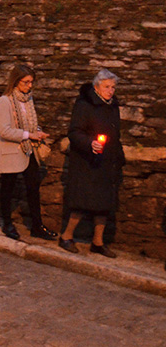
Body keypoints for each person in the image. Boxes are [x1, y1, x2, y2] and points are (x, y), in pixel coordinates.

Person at [59, 69, 124, 257]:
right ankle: (66, 236)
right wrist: (90, 143)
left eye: (113, 87)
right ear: (96, 87)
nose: (110, 91)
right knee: (81, 202)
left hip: (107, 161)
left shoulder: (113, 105)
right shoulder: (84, 105)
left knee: (104, 204)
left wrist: (118, 157)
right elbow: (74, 132)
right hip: (87, 161)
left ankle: (98, 241)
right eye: (106, 87)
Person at [0, 64, 58, 241]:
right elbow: (4, 130)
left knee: (33, 187)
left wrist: (37, 132)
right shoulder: (4, 101)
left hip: (28, 150)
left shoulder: (28, 100)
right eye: (26, 82)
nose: (29, 86)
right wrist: (30, 135)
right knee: (8, 188)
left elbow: (30, 123)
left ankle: (37, 226)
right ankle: (7, 223)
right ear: (16, 81)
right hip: (11, 150)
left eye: (31, 82)